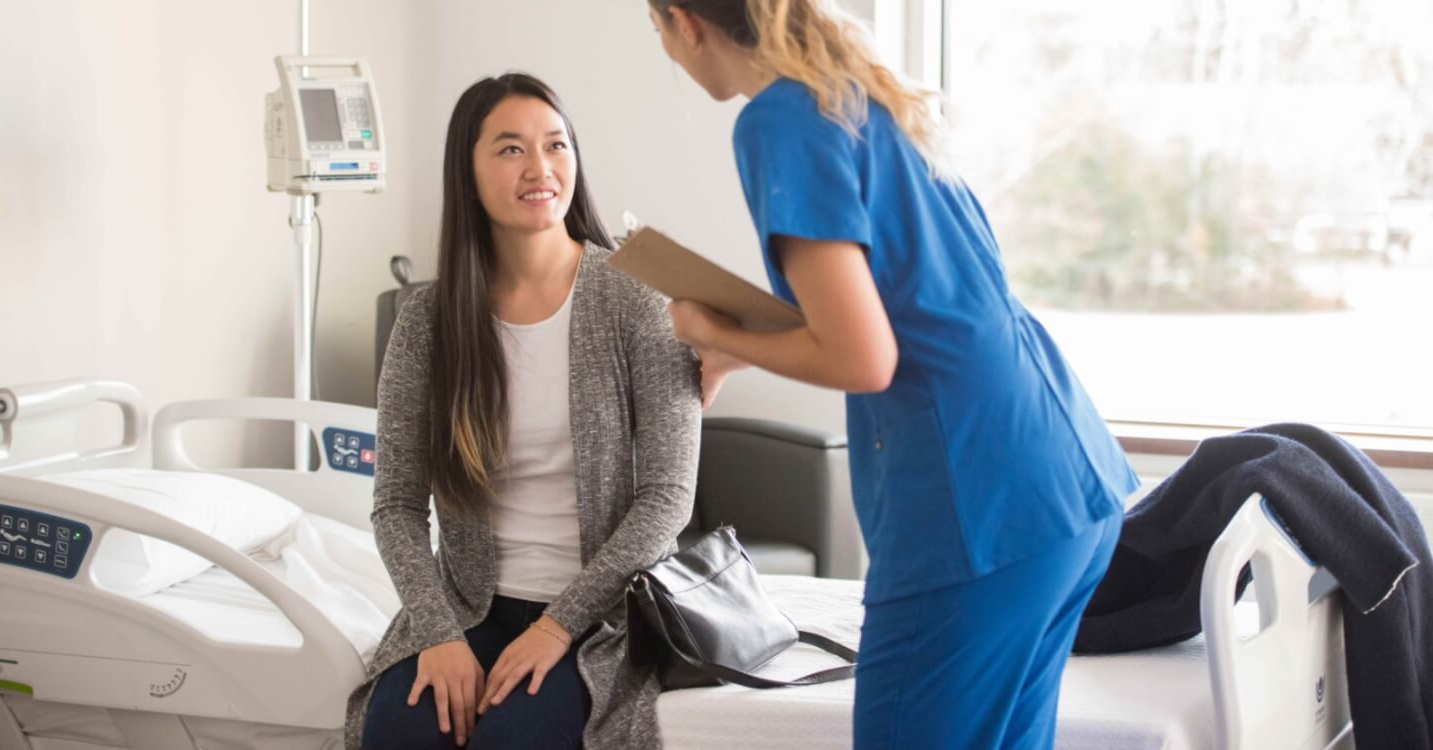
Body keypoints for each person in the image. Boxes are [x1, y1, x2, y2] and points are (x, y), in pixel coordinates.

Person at [646, 1, 1140, 747]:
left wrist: (707, 326)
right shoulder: (862, 97)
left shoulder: (778, 121)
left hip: (973, 504)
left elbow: (863, 358)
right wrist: (739, 348)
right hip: (1062, 483)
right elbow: (909, 311)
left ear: (684, 21)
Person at [346, 72, 702, 750]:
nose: (540, 168)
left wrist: (556, 628)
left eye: (556, 145)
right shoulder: (426, 319)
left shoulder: (636, 299)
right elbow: (395, 506)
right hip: (469, 605)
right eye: (510, 149)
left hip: (602, 617)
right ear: (468, 173)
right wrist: (438, 633)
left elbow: (667, 501)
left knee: (510, 740)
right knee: (399, 729)